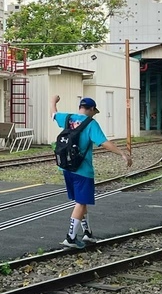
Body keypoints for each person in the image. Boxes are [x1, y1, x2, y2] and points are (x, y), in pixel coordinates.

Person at [51, 95, 132, 249]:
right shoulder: (91, 124)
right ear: (92, 109)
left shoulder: (67, 118)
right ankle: (71, 237)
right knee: (81, 203)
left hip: (66, 168)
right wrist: (122, 153)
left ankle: (87, 233)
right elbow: (104, 143)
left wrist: (53, 101)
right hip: (83, 170)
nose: (94, 115)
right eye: (95, 112)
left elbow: (53, 114)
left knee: (81, 201)